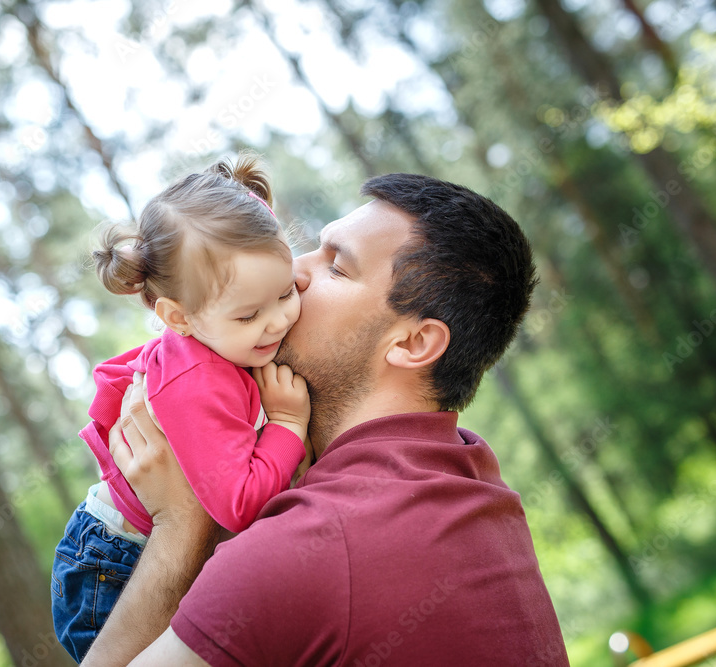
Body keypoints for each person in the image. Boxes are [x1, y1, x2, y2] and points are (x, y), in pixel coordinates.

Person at [81, 173, 570, 666]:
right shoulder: (465, 474)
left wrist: (181, 522)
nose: (294, 272)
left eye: (336, 266)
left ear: (412, 343)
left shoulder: (314, 544)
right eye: (312, 247)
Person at [51, 154, 312, 663]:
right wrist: (287, 424)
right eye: (249, 315)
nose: (279, 321)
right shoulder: (198, 380)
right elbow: (239, 504)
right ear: (179, 318)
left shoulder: (224, 342)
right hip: (110, 570)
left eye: (285, 293)